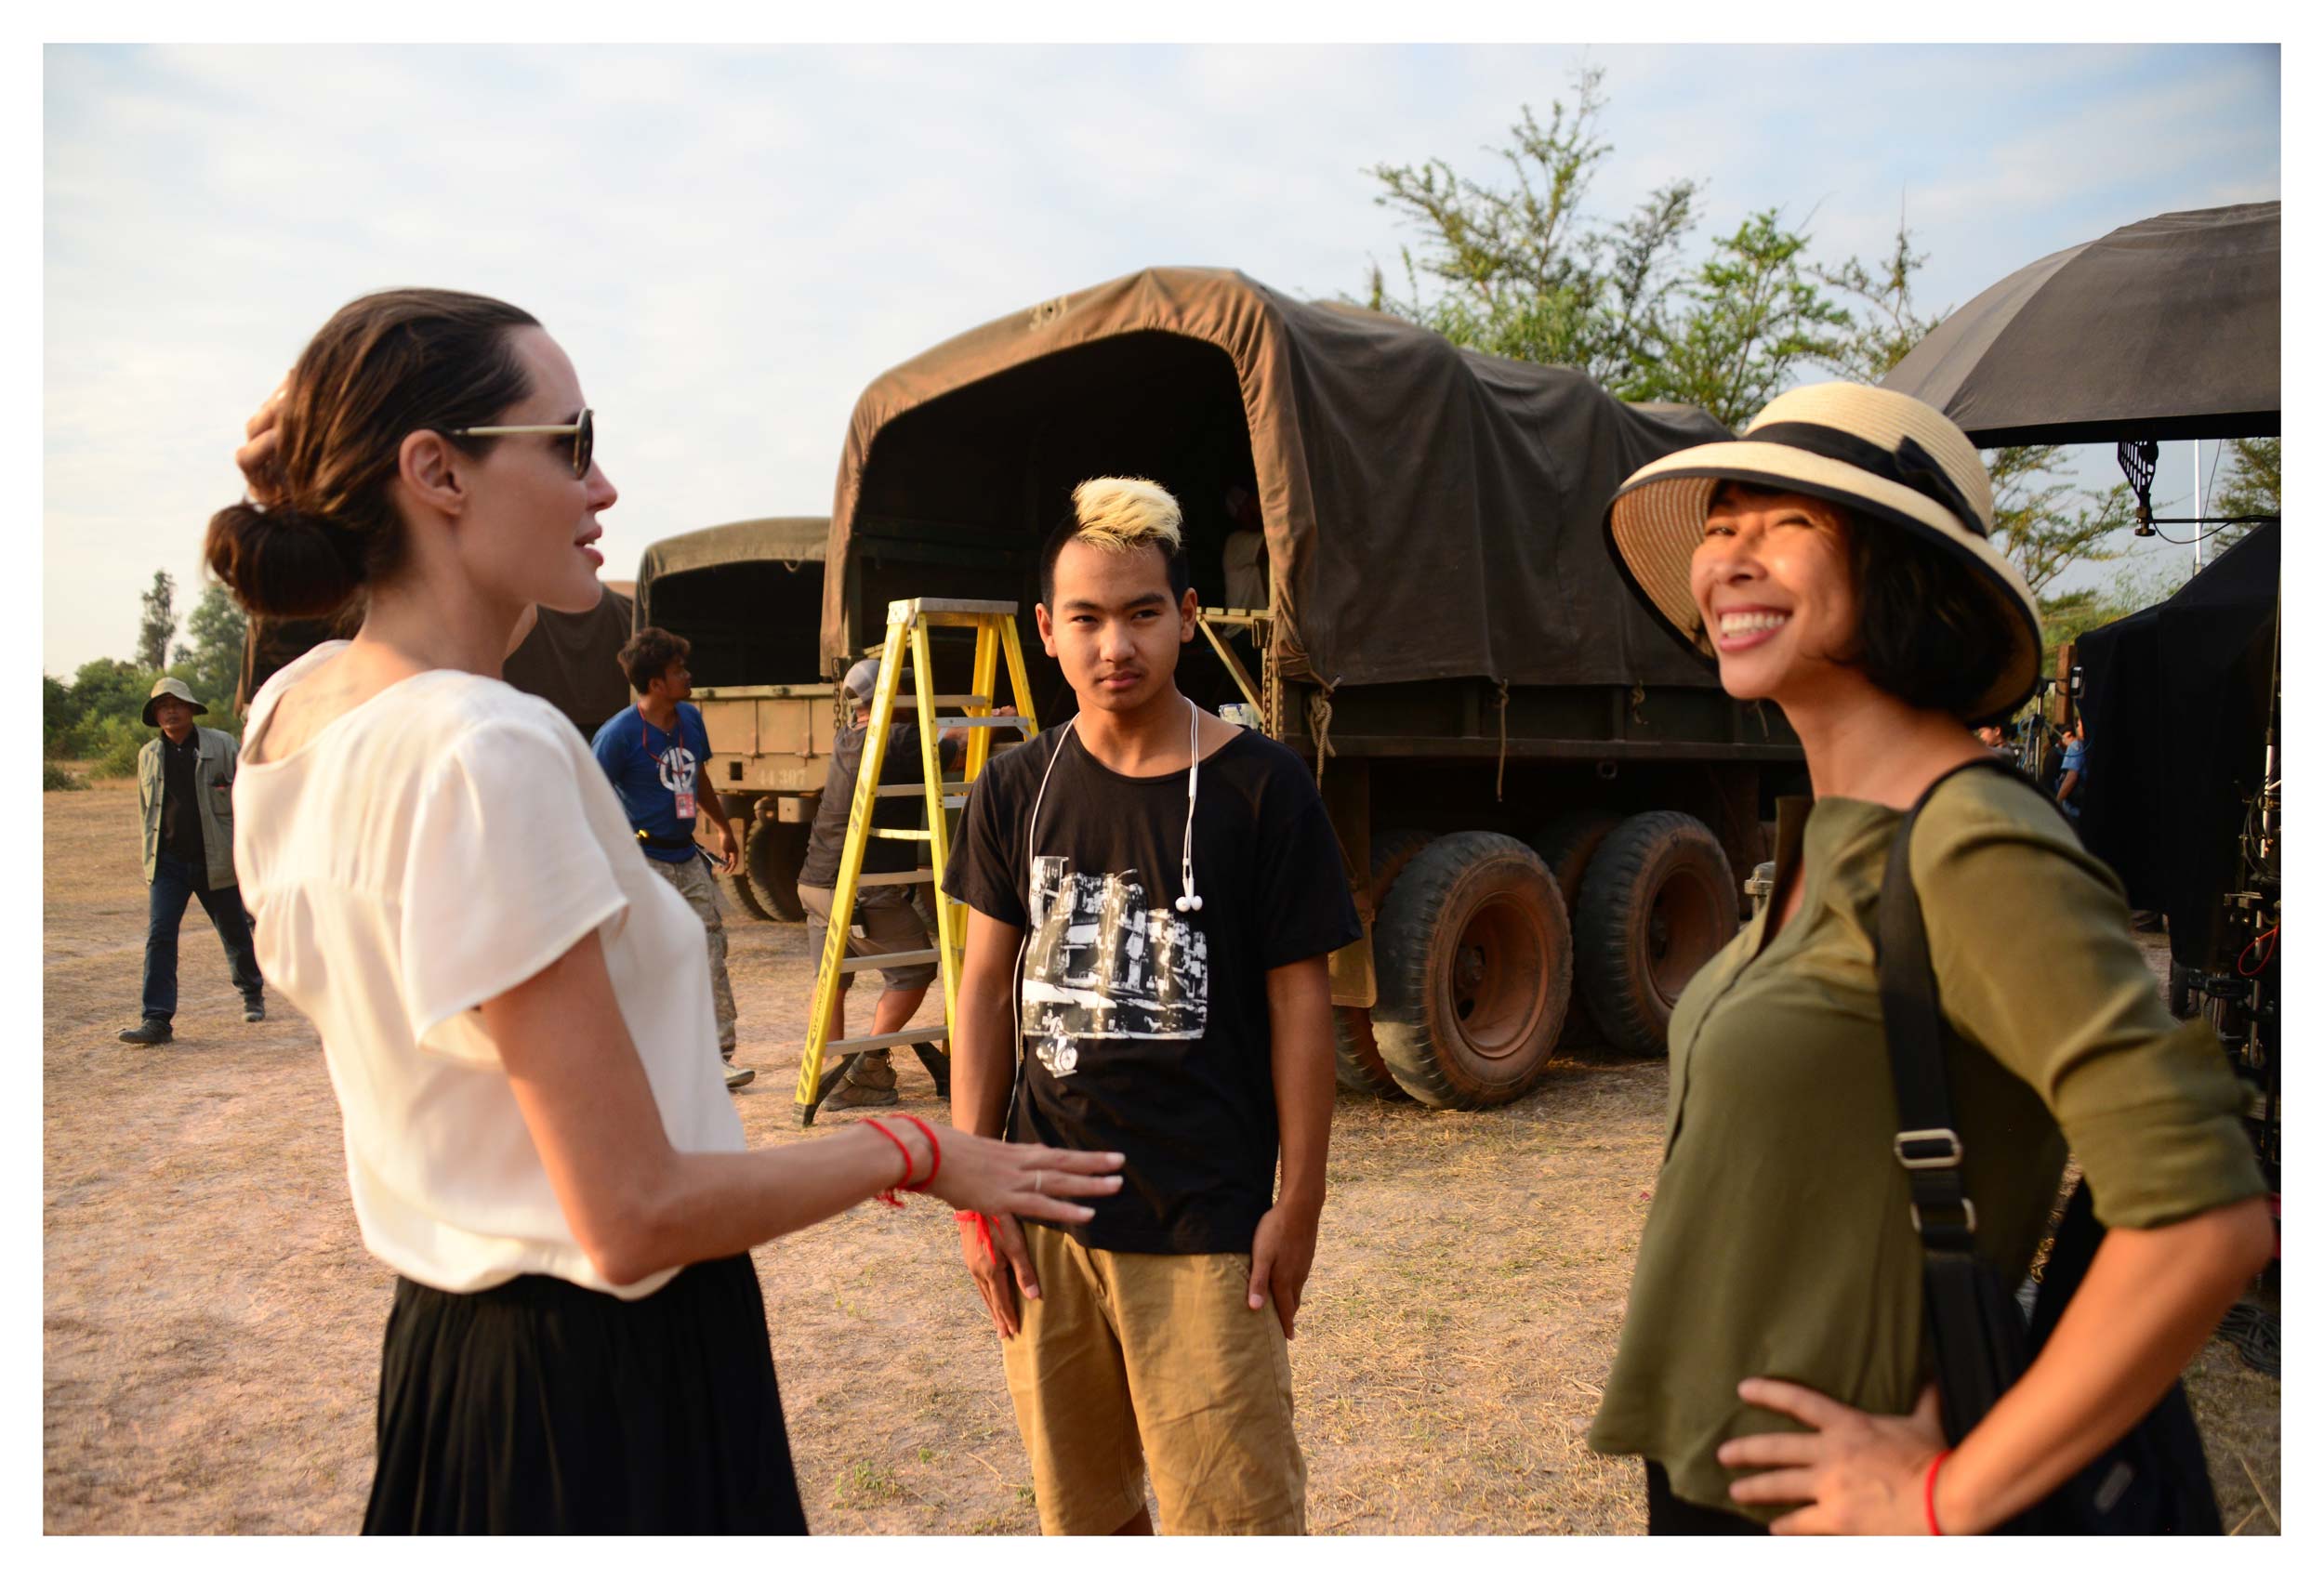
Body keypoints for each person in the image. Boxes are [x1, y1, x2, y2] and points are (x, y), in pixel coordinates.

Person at [215, 288, 1123, 1534]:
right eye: (571, 442)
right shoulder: (487, 749)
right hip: (607, 1382)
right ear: (437, 472)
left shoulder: (293, 714)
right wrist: (917, 1148)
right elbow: (632, 1214)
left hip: (443, 1357)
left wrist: (309, 474)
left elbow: (313, 618)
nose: (605, 488)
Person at [1589, 381, 2271, 1533]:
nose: (1729, 557)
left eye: (1785, 523)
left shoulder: (1970, 839)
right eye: (1718, 527)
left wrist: (1942, 1499)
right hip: (1720, 1475)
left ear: (1905, 573)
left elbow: (2204, 1214)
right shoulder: (1818, 842)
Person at [943, 477, 1361, 1535]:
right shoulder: (1014, 788)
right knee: (1080, 1518)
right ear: (1046, 629)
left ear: (1185, 616)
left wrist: (1298, 1198)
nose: (1113, 645)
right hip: (1044, 1214)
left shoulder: (1263, 788)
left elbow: (1298, 1005)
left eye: (1140, 613)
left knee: (1236, 1519)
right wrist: (971, 1180)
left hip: (1206, 1219)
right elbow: (985, 988)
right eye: (1084, 618)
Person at [796, 656, 964, 1110]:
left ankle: (829, 1081)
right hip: (861, 885)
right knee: (915, 971)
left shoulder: (849, 736)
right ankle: (864, 1070)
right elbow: (958, 750)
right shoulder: (899, 738)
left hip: (815, 880)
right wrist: (987, 723)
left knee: (831, 979)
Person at [594, 627, 751, 1090]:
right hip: (643, 860)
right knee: (644, 957)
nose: (688, 676)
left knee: (709, 948)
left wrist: (722, 826)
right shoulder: (618, 735)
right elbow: (590, 794)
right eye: (678, 670)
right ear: (655, 683)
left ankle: (717, 1057)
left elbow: (697, 775)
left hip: (687, 857)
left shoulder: (689, 719)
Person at [118, 677, 266, 1045]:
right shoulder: (148, 756)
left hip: (215, 857)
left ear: (190, 709)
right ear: (155, 715)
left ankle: (252, 992)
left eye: (176, 704)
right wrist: (150, 859)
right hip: (168, 862)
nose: (169, 711)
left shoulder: (222, 745)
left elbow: (248, 795)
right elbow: (145, 811)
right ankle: (157, 1019)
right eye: (162, 706)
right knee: (160, 936)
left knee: (233, 930)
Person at [2053, 717, 2087, 820]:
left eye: (2079, 724)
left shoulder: (2076, 746)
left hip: (2073, 810)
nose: (2078, 728)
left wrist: (2057, 802)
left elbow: (2070, 778)